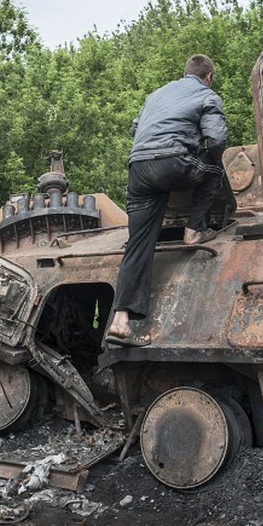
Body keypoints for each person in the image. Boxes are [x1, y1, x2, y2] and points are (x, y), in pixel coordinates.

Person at [105, 54, 227, 347]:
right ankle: (194, 229)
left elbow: (136, 129)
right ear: (208, 76)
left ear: (184, 72)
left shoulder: (156, 95)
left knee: (138, 244)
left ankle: (120, 321)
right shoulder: (207, 95)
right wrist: (196, 146)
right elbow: (217, 139)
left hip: (139, 168)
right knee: (214, 167)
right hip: (173, 163)